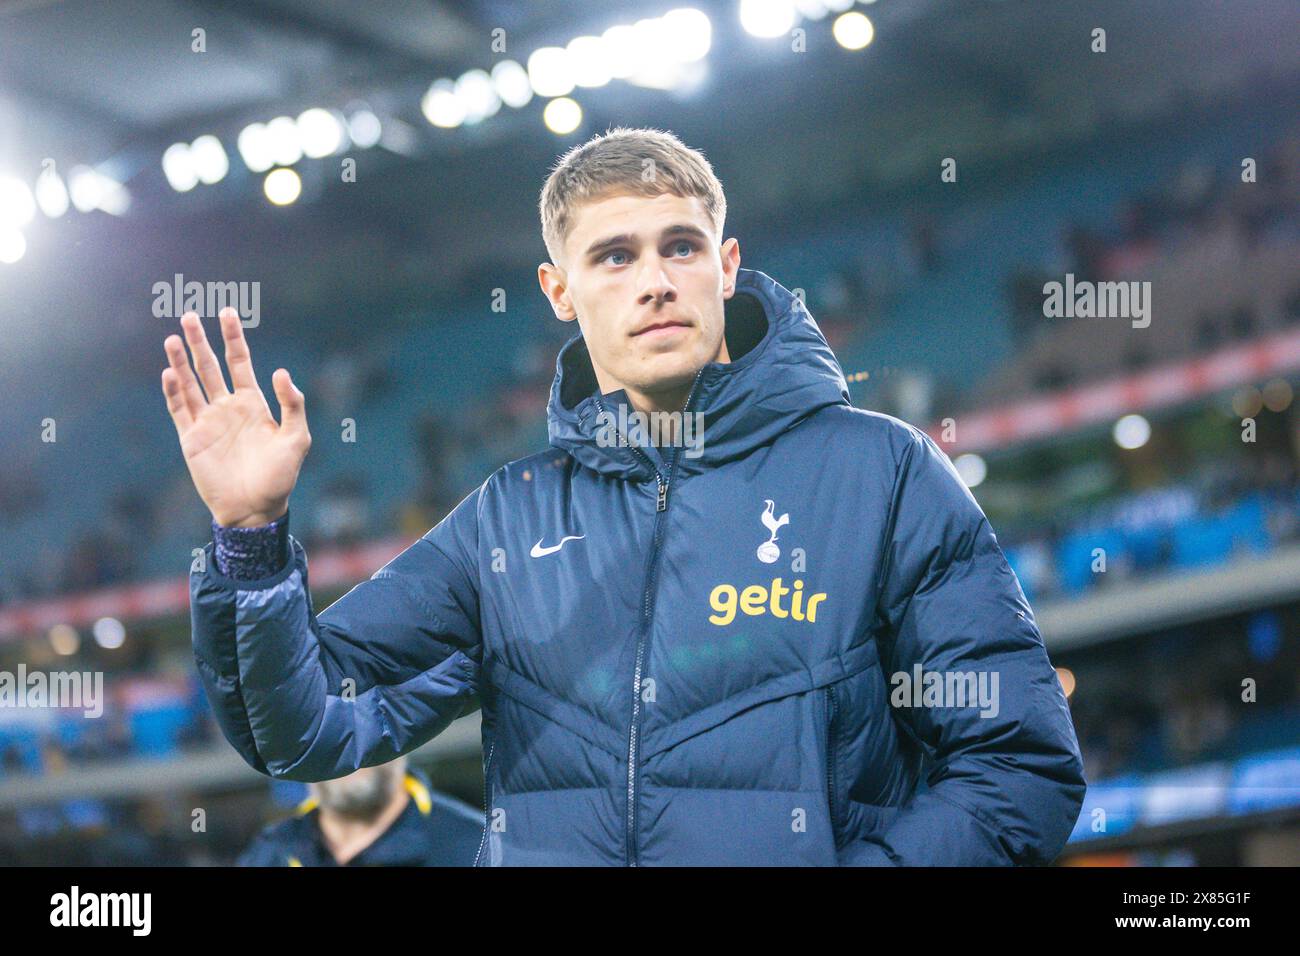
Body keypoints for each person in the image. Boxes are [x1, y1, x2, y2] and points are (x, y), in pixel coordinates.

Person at [161, 127, 1085, 866]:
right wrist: (250, 536)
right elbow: (307, 727)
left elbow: (1018, 769)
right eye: (613, 257)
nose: (654, 281)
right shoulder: (506, 520)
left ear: (725, 267)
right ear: (558, 291)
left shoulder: (882, 473)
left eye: (679, 247)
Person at [238, 756, 481, 867]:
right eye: (326, 724)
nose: (350, 744)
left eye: (368, 716)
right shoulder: (267, 853)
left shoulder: (484, 850)